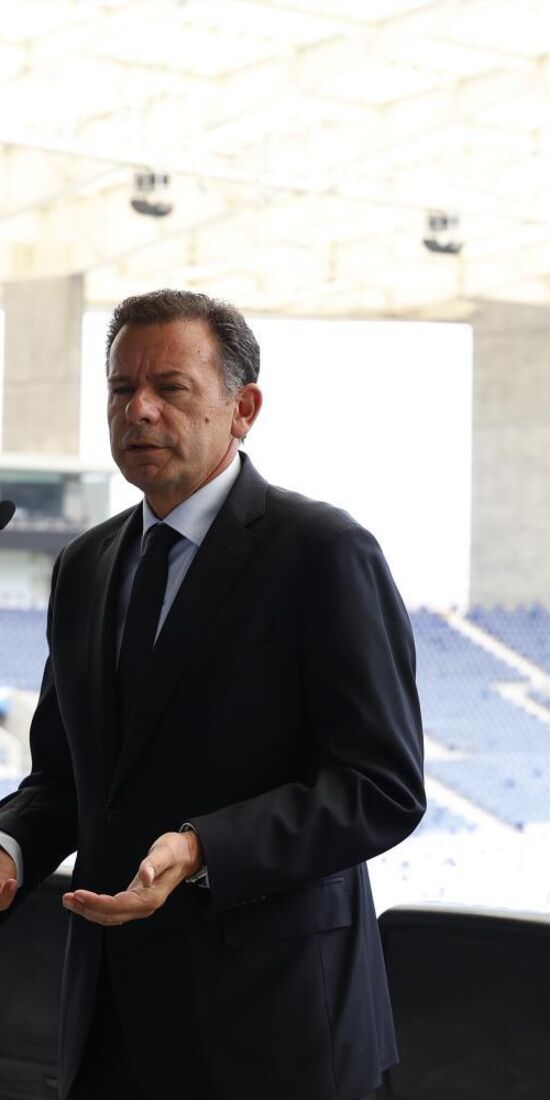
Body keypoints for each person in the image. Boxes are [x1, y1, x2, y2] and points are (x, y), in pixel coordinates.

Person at [0, 289, 426, 1100]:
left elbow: (382, 789)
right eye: (123, 391)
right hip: (109, 1024)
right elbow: (65, 777)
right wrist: (12, 848)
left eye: (171, 388)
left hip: (277, 1033)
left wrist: (200, 847)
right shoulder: (84, 567)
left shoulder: (323, 553)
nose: (141, 411)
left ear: (243, 408)